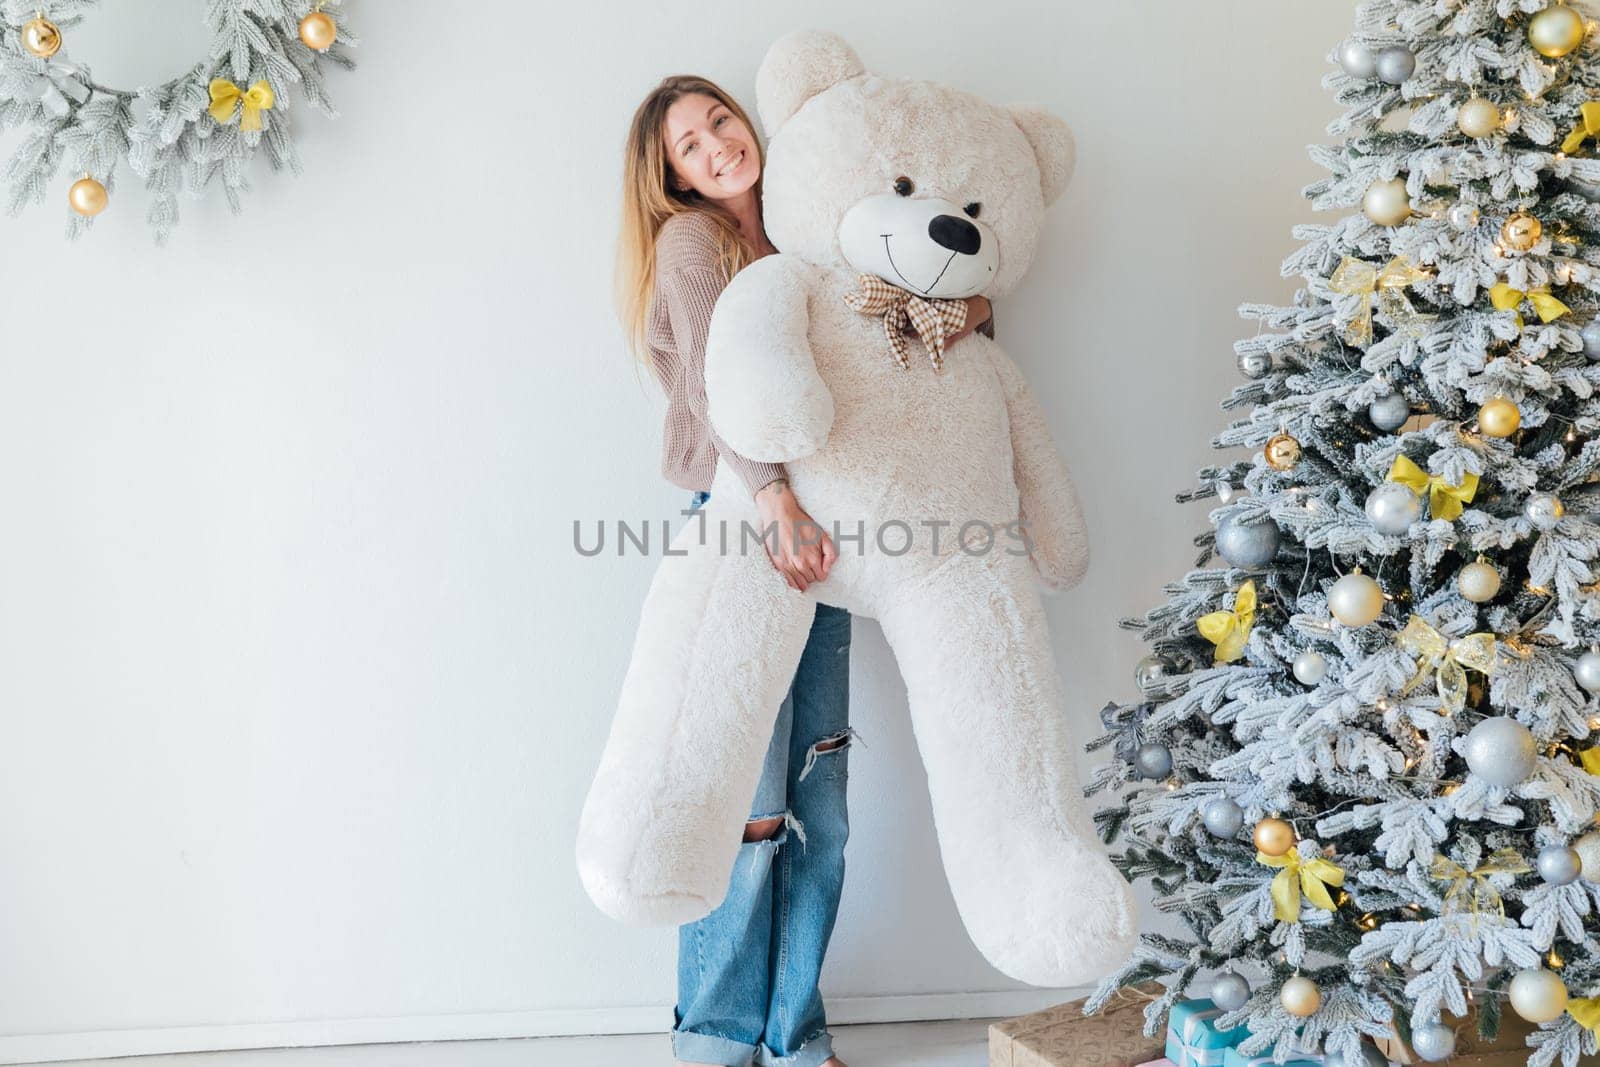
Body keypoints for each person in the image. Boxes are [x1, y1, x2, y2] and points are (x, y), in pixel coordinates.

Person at [614, 73, 991, 1067]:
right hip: (748, 517)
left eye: (718, 124)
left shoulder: (815, 223)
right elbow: (713, 379)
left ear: (747, 123)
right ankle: (714, 1036)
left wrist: (968, 309)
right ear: (674, 179)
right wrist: (774, 497)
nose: (714, 147)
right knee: (747, 794)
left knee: (819, 789)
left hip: (830, 522)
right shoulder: (696, 245)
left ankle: (793, 1034)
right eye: (689, 147)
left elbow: (912, 307)